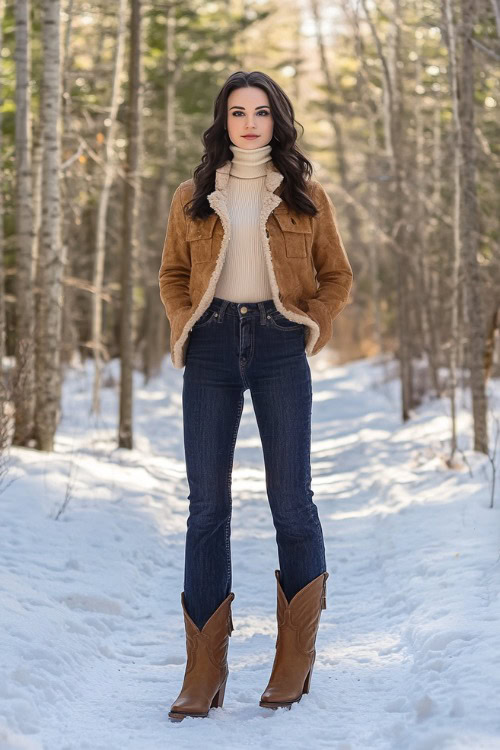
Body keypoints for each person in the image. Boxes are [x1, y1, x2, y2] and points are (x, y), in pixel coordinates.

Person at [158, 70, 353, 721]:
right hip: (211, 349)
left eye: (261, 111)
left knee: (290, 499)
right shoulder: (194, 195)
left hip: (278, 344)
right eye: (237, 111)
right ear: (223, 120)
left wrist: (311, 325)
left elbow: (337, 275)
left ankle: (293, 657)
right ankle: (203, 669)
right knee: (206, 506)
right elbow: (173, 275)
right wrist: (186, 323)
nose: (249, 122)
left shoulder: (304, 194)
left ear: (277, 120)